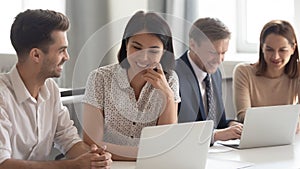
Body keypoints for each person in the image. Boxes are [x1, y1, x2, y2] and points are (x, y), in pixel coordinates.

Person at [0, 9, 112, 169]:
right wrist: (71, 165)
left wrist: (94, 157)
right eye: (61, 50)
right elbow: (3, 164)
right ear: (36, 55)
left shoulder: (51, 90)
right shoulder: (2, 97)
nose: (67, 57)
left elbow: (69, 140)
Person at [82, 11, 180, 161]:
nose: (144, 57)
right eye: (137, 47)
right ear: (126, 45)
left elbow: (165, 143)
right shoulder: (100, 78)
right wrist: (145, 154)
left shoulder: (170, 79)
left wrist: (167, 94)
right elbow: (92, 143)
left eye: (153, 50)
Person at [175, 17, 243, 142]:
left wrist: (232, 125)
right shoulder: (174, 75)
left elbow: (218, 123)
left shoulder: (215, 74)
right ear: (193, 44)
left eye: (223, 53)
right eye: (213, 52)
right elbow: (175, 131)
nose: (219, 60)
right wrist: (215, 136)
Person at [233, 20, 300, 132]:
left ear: (293, 49)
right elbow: (243, 116)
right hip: (256, 134)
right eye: (269, 49)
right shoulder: (243, 72)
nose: (276, 56)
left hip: (287, 136)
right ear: (262, 48)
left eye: (282, 50)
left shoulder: (298, 71)